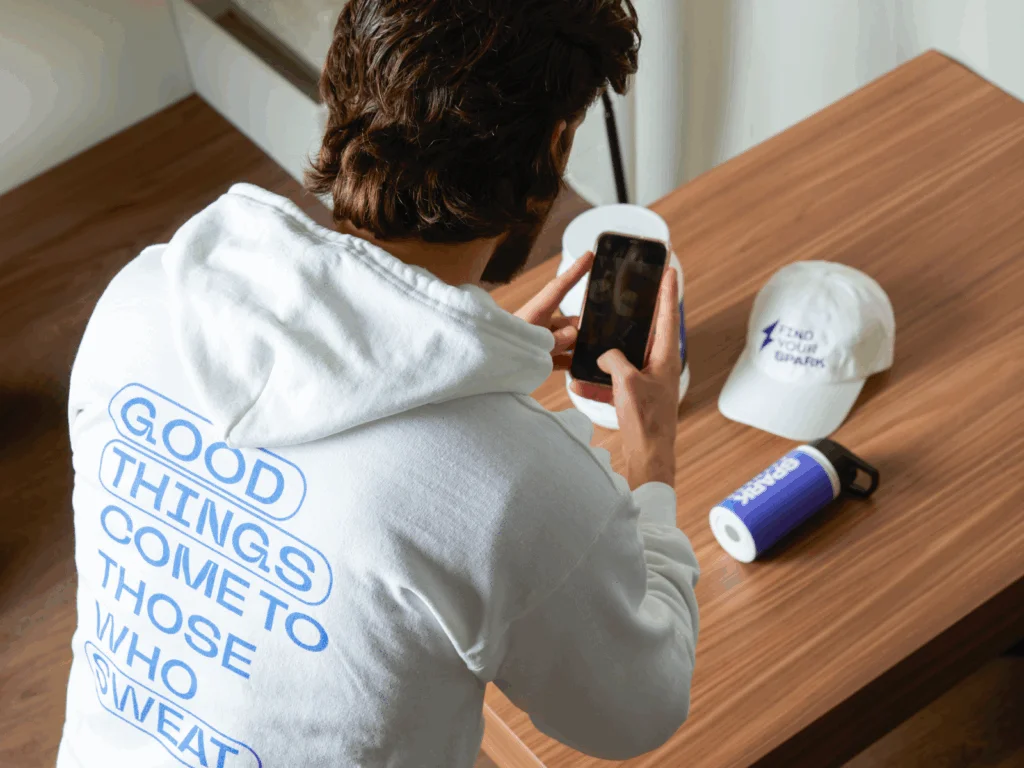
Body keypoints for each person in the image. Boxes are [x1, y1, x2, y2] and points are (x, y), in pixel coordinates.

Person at [57, 1, 699, 766]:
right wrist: (652, 460)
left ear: (341, 91)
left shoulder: (141, 302)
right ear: (554, 146)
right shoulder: (519, 487)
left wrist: (462, 359)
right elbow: (638, 712)